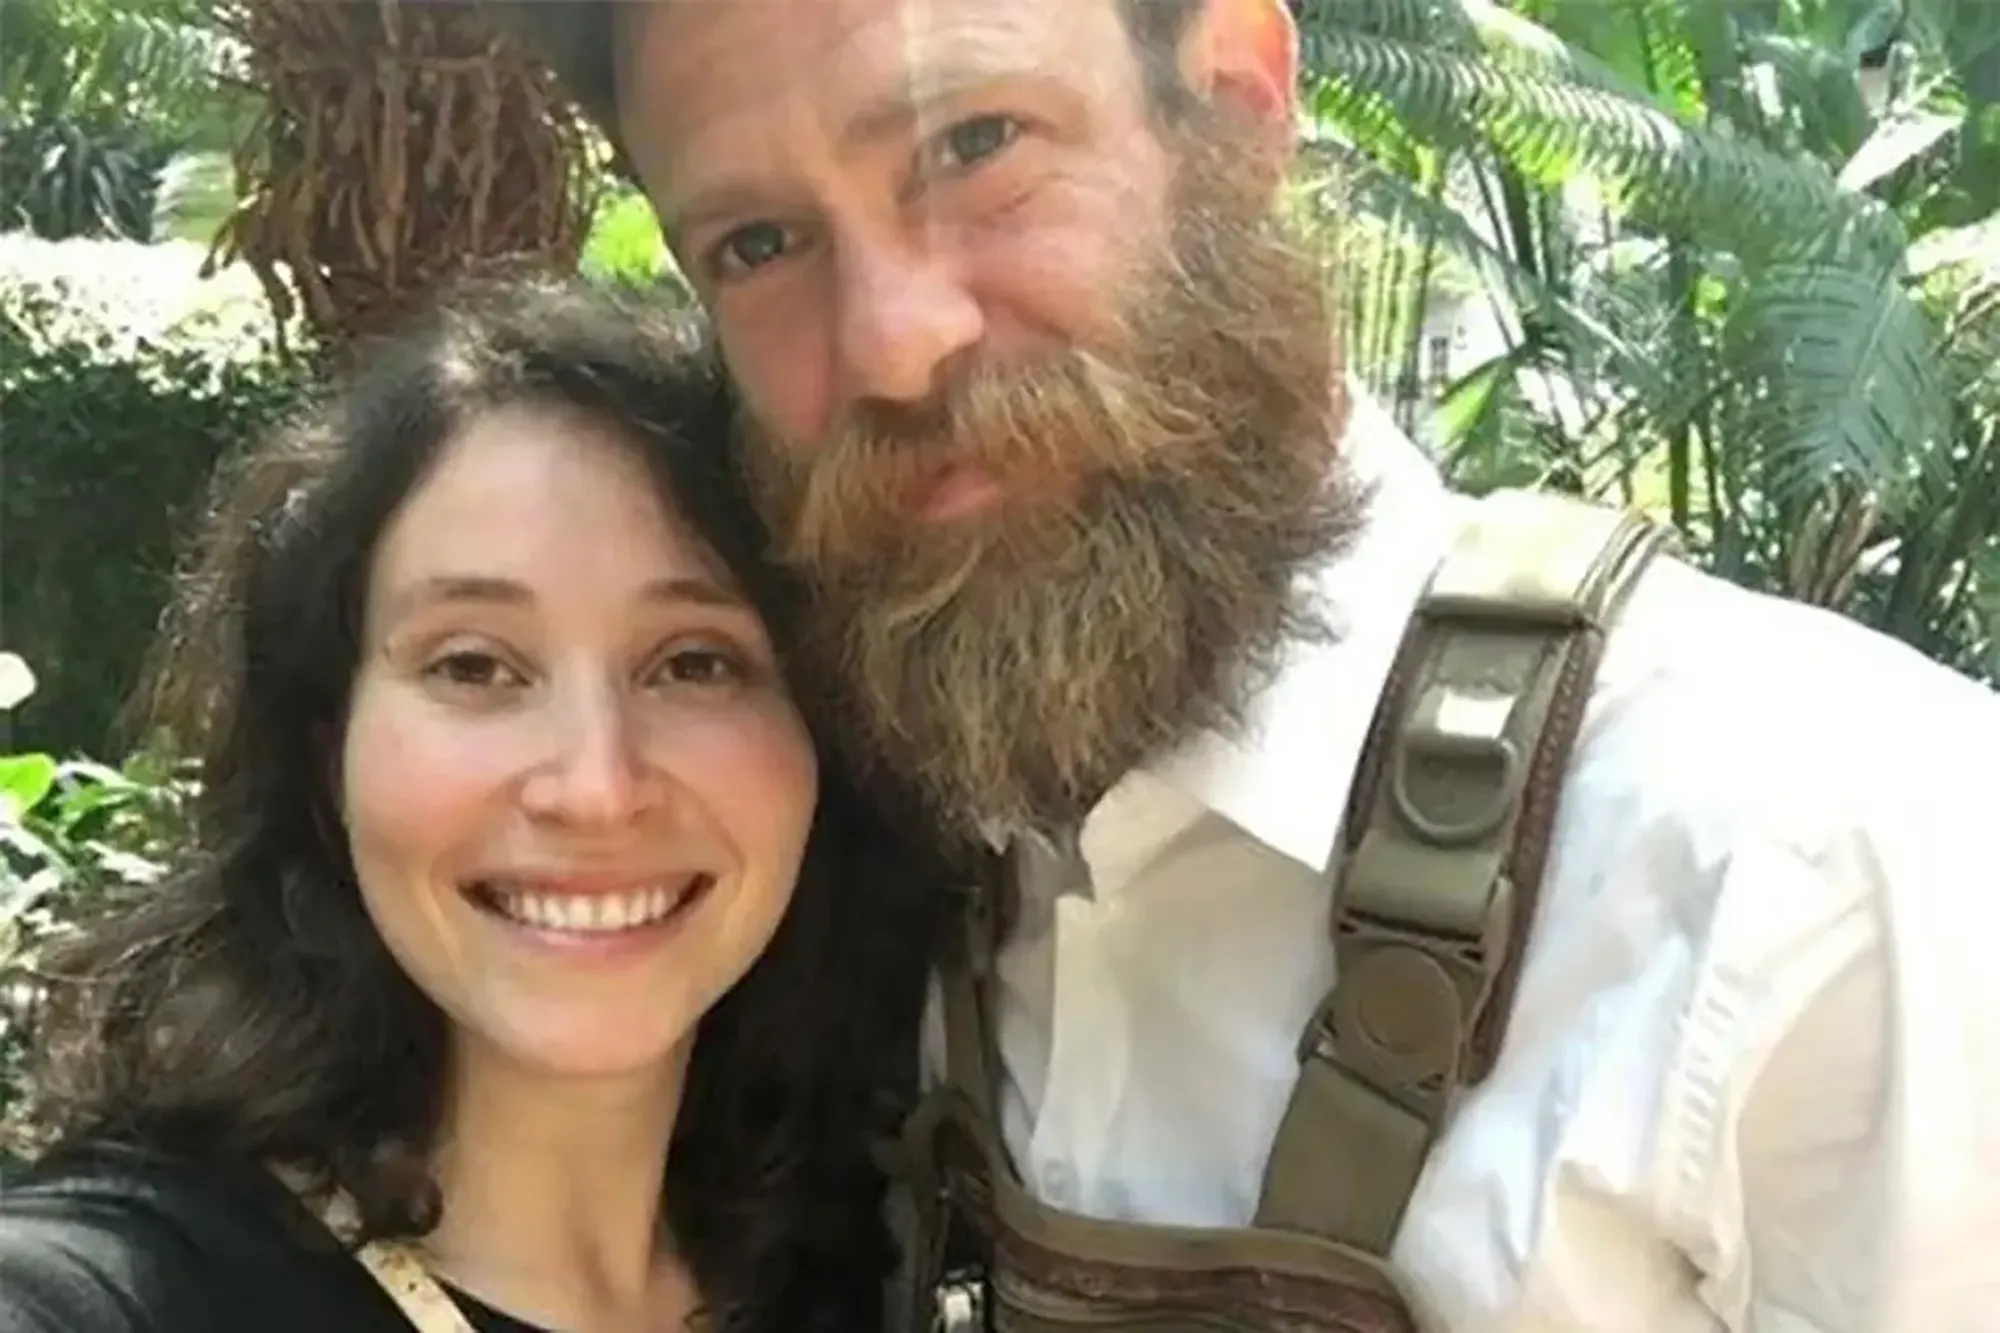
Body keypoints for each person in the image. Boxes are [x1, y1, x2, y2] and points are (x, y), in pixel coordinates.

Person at [504, 1, 2000, 1330]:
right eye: (758, 245)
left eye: (975, 143)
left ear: (1235, 101)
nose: (893, 344)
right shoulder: (838, 847)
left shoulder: (1822, 862)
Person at [0, 279, 942, 1333]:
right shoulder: (127, 1286)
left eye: (693, 662)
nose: (596, 787)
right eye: (474, 665)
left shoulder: (865, 1260)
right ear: (328, 751)